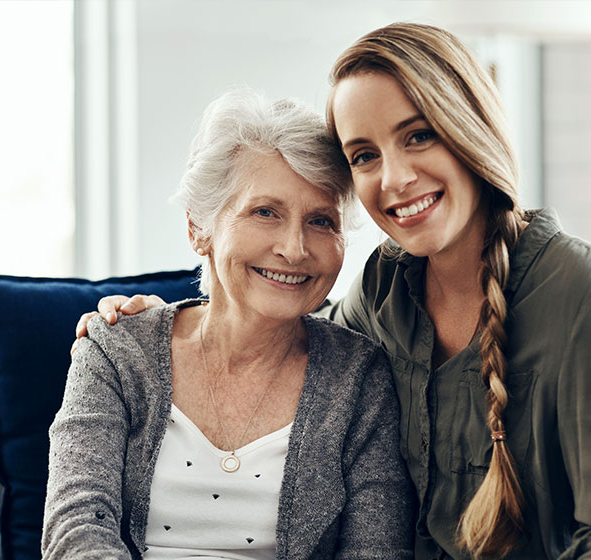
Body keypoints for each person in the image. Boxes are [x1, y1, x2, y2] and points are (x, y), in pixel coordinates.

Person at [76, 23, 591, 559]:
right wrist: (157, 331)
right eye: (365, 155)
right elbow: (281, 320)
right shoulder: (387, 287)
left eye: (417, 137)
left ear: (469, 129)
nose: (394, 178)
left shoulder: (581, 289)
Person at [43, 88, 415, 559]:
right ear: (200, 227)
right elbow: (75, 531)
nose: (295, 248)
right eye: (265, 212)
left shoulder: (360, 378)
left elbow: (375, 552)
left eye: (321, 221)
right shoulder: (116, 349)